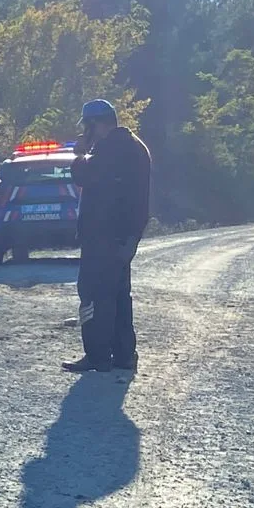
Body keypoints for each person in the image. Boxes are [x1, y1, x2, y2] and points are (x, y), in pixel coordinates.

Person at [63, 99, 152, 374]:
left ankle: (97, 355)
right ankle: (124, 355)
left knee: (92, 294)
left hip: (102, 235)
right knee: (118, 295)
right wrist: (133, 236)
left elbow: (83, 176)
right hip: (125, 235)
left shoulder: (110, 149)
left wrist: (79, 154)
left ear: (94, 125)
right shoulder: (136, 146)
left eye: (87, 127)